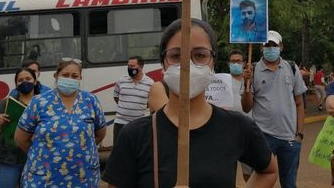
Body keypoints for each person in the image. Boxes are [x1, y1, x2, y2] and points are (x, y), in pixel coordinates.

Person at [103, 18, 277, 187]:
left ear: (213, 62)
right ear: (163, 63)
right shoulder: (134, 135)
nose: (187, 64)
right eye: (177, 55)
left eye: (200, 55)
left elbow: (268, 171)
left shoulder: (238, 126)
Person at [14, 58, 107, 187]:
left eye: (74, 76)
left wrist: (81, 148)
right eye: (65, 75)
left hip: (83, 178)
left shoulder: (91, 101)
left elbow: (100, 134)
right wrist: (43, 154)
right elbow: (20, 138)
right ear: (56, 76)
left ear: (80, 78)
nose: (70, 79)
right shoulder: (39, 102)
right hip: (44, 178)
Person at [242, 30, 307, 188]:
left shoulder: (291, 68)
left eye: (274, 45)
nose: (270, 48)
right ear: (261, 48)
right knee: (262, 181)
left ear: (281, 47)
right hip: (263, 136)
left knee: (289, 184)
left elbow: (299, 103)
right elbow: (246, 107)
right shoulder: (253, 70)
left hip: (290, 138)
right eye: (267, 45)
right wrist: (246, 84)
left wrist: (299, 134)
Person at [0, 67, 39, 188]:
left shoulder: (44, 103)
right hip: (9, 159)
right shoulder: (5, 104)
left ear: (35, 81)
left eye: (28, 78)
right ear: (16, 83)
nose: (24, 82)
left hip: (37, 159)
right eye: (20, 80)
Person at [113, 55, 154, 144]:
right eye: (128, 66)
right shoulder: (121, 80)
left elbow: (150, 102)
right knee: (119, 152)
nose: (129, 68)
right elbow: (116, 97)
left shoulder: (150, 83)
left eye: (132, 66)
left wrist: (138, 106)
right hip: (120, 123)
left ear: (141, 67)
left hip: (140, 124)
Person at [227, 49, 254, 183]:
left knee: (248, 171)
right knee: (227, 170)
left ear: (244, 63)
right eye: (233, 61)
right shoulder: (223, 82)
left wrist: (248, 81)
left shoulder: (250, 82)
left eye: (238, 61)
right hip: (227, 133)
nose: (236, 64)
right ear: (228, 64)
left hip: (247, 132)